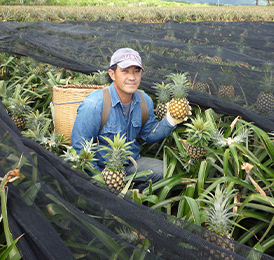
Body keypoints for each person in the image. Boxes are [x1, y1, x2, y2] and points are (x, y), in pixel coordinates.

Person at [71, 48, 189, 191]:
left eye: (136, 71)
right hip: (102, 169)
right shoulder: (94, 105)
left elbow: (149, 135)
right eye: (125, 71)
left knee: (164, 171)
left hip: (130, 165)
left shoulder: (144, 101)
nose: (132, 77)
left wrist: (171, 120)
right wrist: (100, 180)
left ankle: (134, 198)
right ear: (112, 74)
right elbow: (79, 148)